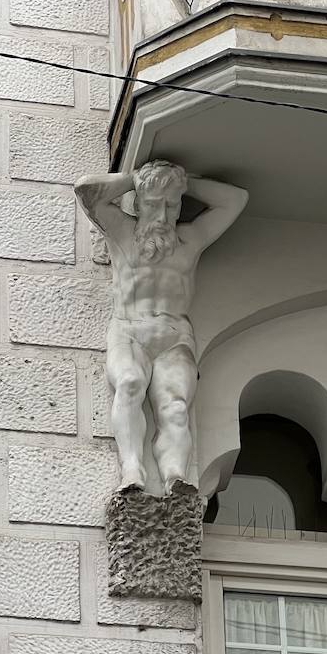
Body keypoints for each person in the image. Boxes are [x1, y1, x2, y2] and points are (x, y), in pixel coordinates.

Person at [76, 161, 249, 492]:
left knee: (176, 406)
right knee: (128, 384)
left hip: (174, 336)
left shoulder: (190, 239)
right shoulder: (122, 231)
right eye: (154, 203)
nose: (162, 213)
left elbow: (236, 200)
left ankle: (175, 476)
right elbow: (87, 190)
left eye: (171, 204)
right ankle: (131, 470)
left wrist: (183, 182)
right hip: (129, 330)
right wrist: (136, 179)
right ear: (138, 202)